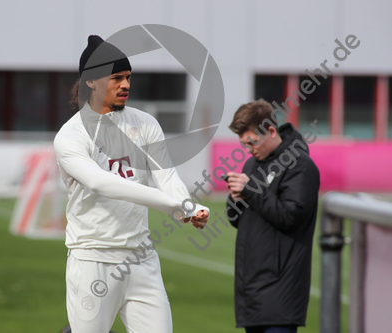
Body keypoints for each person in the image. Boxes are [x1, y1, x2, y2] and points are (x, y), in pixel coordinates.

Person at [54, 35, 209, 333]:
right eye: (116, 78)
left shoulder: (145, 124)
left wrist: (187, 207)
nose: (125, 84)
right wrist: (173, 206)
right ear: (91, 81)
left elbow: (166, 176)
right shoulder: (70, 136)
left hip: (142, 258)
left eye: (127, 77)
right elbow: (100, 183)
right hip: (92, 261)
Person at [225, 99, 320, 333]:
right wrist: (235, 200)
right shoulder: (251, 165)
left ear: (270, 130)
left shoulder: (300, 165)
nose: (248, 149)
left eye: (252, 141)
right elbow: (241, 221)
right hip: (253, 290)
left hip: (281, 289)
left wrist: (251, 190)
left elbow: (290, 216)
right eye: (243, 143)